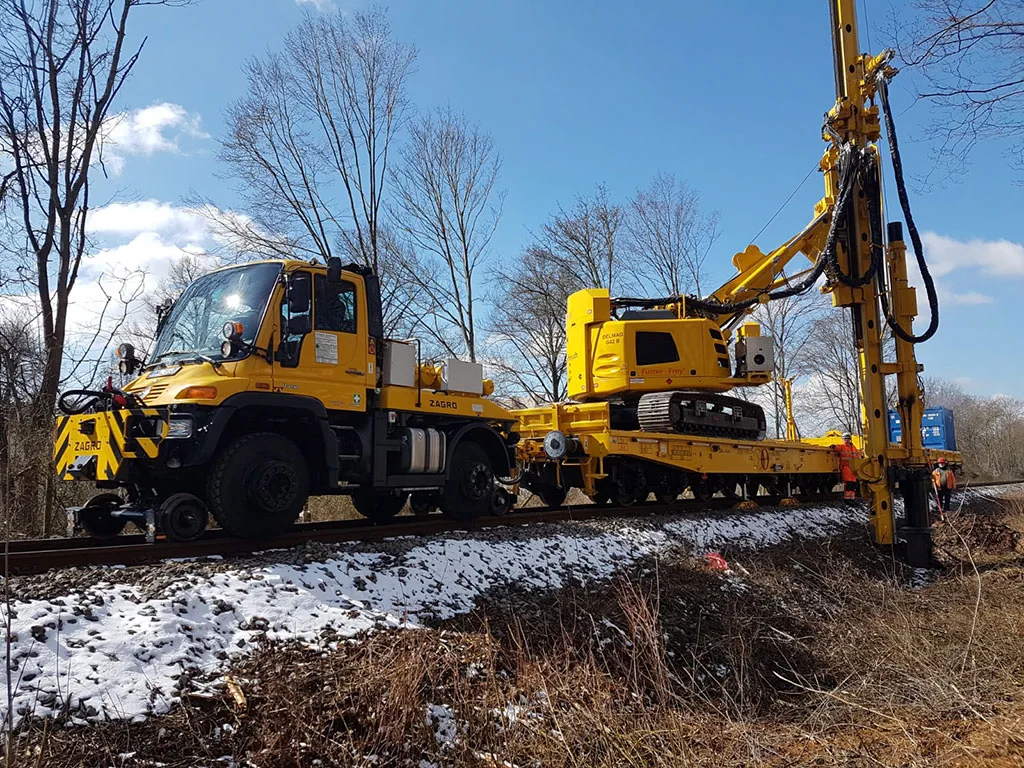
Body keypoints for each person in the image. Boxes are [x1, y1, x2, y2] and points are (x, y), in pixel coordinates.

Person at [833, 432, 860, 500]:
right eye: (845, 439)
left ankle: (852, 498)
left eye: (847, 439)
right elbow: (837, 448)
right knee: (848, 482)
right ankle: (847, 499)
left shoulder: (853, 447)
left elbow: (857, 456)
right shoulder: (842, 446)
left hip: (853, 467)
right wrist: (833, 446)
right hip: (845, 467)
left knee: (853, 483)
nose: (846, 440)